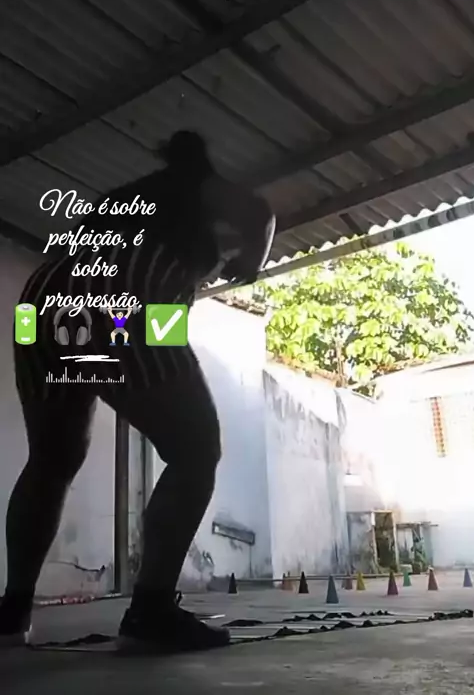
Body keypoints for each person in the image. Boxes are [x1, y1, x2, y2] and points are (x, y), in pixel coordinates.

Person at [1, 130, 275, 653]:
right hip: (125, 292)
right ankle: (151, 610)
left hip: (43, 298)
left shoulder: (128, 197)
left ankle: (11, 613)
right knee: (195, 450)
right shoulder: (199, 186)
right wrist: (250, 262)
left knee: (51, 459)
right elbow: (260, 214)